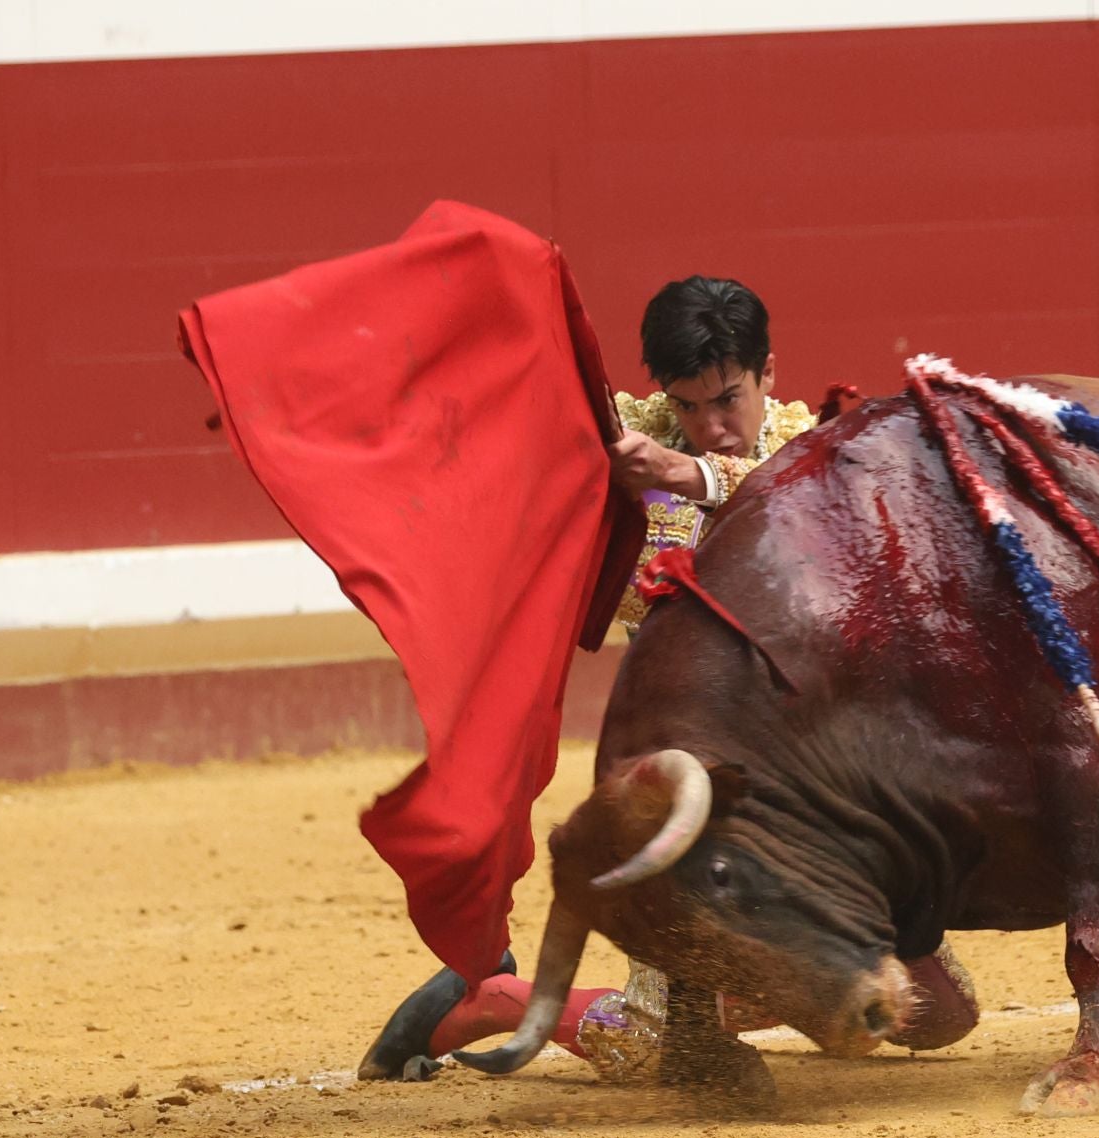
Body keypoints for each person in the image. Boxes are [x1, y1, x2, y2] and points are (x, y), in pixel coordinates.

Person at [358, 276, 978, 1083]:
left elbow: (801, 522)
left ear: (767, 373)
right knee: (652, 1045)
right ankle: (495, 997)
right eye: (687, 408)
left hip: (820, 788)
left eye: (727, 399)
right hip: (683, 786)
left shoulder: (816, 449)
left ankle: (745, 977)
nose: (711, 427)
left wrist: (693, 476)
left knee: (939, 1017)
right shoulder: (622, 450)